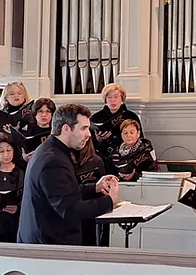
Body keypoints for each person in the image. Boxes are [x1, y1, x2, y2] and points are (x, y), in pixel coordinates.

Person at [17, 104, 119, 245]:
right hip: (49, 247)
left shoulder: (49, 149)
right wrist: (109, 201)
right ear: (66, 129)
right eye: (83, 128)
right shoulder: (53, 161)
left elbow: (61, 192)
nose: (89, 134)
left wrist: (94, 187)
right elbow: (69, 210)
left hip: (44, 241)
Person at [90, 83, 142, 175]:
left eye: (116, 97)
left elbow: (140, 140)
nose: (113, 100)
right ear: (105, 100)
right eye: (109, 97)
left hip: (126, 158)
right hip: (103, 158)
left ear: (122, 98)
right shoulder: (96, 118)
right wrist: (98, 139)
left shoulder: (131, 116)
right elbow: (88, 141)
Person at [0, 82, 34, 168]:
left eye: (19, 93)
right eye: (12, 94)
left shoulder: (30, 115)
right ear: (6, 98)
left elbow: (32, 138)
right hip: (1, 158)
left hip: (21, 159)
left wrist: (14, 133)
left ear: (24, 96)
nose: (16, 96)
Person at [74, 137, 108, 246]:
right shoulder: (66, 160)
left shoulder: (96, 161)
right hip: (72, 207)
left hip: (90, 209)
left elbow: (102, 188)